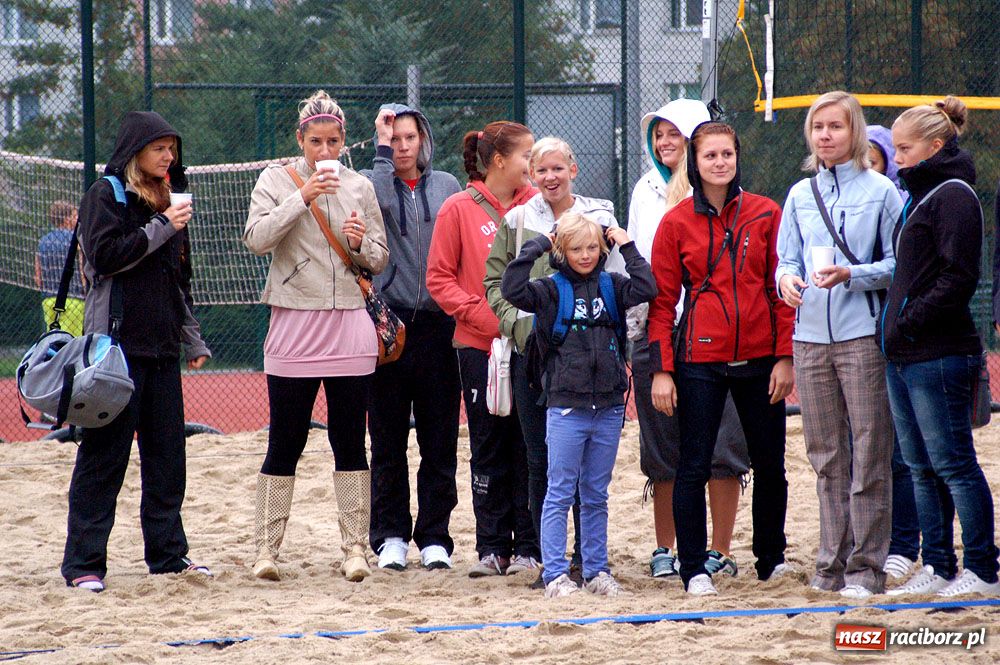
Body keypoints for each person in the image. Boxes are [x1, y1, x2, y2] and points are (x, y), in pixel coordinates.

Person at [61, 111, 211, 593]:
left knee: (168, 459)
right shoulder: (107, 195)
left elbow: (175, 281)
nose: (169, 157)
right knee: (104, 459)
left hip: (162, 348)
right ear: (135, 152)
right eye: (159, 148)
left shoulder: (170, 196)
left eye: (172, 148)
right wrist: (163, 225)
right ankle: (84, 564)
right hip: (115, 351)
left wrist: (192, 339)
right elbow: (106, 257)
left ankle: (168, 556)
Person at [243, 90, 389, 583]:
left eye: (332, 142)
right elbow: (256, 238)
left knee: (351, 441)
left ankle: (354, 549)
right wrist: (299, 199)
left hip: (350, 323)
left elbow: (380, 256)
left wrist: (358, 242)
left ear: (344, 141)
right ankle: (266, 549)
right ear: (300, 140)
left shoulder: (360, 186)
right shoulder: (274, 180)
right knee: (285, 440)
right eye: (315, 142)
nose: (324, 152)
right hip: (294, 321)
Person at [648, 121, 795, 596]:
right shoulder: (674, 223)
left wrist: (784, 357)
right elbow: (662, 302)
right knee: (694, 463)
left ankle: (771, 559)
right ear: (695, 161)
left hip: (759, 360)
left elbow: (781, 293)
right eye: (710, 155)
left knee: (770, 464)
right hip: (698, 362)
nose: (719, 163)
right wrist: (663, 370)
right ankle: (693, 568)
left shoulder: (766, 213)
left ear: (737, 157)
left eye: (727, 154)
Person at [776, 91, 901, 599]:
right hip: (809, 338)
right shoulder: (800, 195)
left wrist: (853, 273)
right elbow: (786, 259)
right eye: (817, 127)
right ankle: (830, 563)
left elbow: (899, 265)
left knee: (869, 452)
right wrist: (786, 281)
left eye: (835, 126)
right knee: (826, 456)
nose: (825, 135)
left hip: (861, 337)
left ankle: (866, 568)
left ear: (855, 132)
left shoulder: (882, 191)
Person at [483, 136, 624, 586]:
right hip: (534, 359)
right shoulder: (518, 219)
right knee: (541, 460)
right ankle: (550, 564)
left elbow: (619, 279)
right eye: (541, 170)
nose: (549, 177)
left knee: (589, 471)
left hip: (591, 362)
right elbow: (495, 282)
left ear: (573, 169)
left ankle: (588, 561)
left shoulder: (598, 215)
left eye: (557, 168)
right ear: (531, 175)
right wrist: (520, 327)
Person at [879, 96, 1000, 597]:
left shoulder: (953, 194)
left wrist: (908, 320)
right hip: (905, 354)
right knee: (920, 465)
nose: (896, 155)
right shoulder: (919, 194)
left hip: (938, 352)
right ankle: (939, 563)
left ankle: (982, 570)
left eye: (904, 148)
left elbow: (958, 275)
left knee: (954, 463)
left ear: (935, 145)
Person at [501, 211, 656, 597]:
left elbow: (648, 287)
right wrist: (540, 242)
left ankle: (595, 569)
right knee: (559, 491)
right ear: (561, 250)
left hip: (607, 405)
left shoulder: (613, 286)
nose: (585, 255)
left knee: (595, 494)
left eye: (592, 247)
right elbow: (511, 287)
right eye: (575, 248)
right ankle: (555, 573)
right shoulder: (550, 291)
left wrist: (628, 244)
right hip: (566, 406)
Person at [627, 99, 750, 580]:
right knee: (663, 447)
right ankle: (665, 548)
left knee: (723, 443)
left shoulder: (726, 195)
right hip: (656, 330)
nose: (664, 143)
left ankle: (719, 548)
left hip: (716, 334)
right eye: (658, 134)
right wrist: (638, 330)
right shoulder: (645, 191)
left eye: (673, 133)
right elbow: (637, 267)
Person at [426, 120, 539, 577]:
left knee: (530, 444)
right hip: (478, 347)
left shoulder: (539, 208)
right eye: (525, 157)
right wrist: (487, 317)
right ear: (497, 161)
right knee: (488, 444)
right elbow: (439, 279)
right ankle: (492, 547)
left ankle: (530, 546)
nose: (532, 167)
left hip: (532, 346)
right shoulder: (457, 208)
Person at [360, 103, 463, 571]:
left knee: (440, 437)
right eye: (394, 139)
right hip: (389, 324)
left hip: (440, 326)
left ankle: (436, 535)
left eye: (408, 138)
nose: (402, 147)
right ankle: (390, 535)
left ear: (423, 140)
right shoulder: (372, 180)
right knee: (386, 436)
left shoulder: (446, 186)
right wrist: (380, 151)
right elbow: (376, 198)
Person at [867, 122, 921, 582]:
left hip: (902, 335)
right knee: (863, 449)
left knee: (904, 449)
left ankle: (906, 541)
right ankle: (872, 539)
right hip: (862, 333)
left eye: (875, 157)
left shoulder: (902, 203)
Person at [35, 201, 86, 336]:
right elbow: (82, 270)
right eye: (75, 216)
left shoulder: (43, 242)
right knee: (71, 343)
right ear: (67, 219)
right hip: (73, 299)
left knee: (53, 341)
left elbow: (38, 278)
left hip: (49, 300)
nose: (78, 219)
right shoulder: (76, 240)